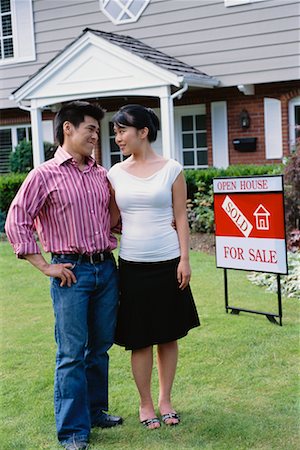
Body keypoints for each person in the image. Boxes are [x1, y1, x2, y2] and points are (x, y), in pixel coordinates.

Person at [5, 101, 123, 450]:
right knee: (71, 351)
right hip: (71, 272)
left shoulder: (102, 174)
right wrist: (45, 266)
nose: (95, 136)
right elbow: (17, 220)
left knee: (100, 347)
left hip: (106, 268)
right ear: (67, 128)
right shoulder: (44, 175)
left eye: (98, 131)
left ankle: (95, 411)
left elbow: (115, 220)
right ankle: (73, 431)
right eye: (90, 129)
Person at [107, 104, 200, 430]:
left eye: (122, 130)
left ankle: (165, 400)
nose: (116, 137)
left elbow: (180, 217)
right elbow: (112, 219)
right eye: (115, 131)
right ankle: (146, 404)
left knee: (168, 335)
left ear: (142, 132)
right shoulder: (114, 173)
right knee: (140, 338)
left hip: (168, 263)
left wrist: (185, 259)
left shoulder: (172, 169)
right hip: (132, 265)